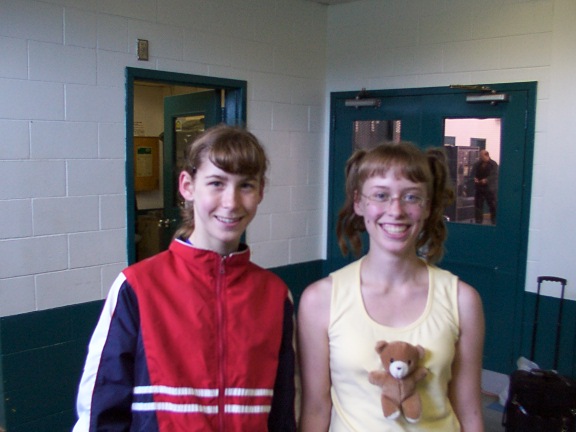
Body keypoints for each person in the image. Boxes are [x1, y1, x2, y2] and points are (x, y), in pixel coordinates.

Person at [74, 124, 297, 431]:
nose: (231, 202)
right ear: (187, 186)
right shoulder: (138, 286)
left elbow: (282, 411)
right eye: (216, 183)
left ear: (260, 192)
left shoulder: (275, 295)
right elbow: (101, 407)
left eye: (245, 185)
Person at [297, 142, 485, 431]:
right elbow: (316, 409)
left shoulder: (462, 300)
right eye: (381, 195)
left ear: (428, 206)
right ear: (359, 202)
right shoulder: (320, 300)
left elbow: (469, 411)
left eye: (411, 197)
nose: (396, 210)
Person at [471, 149, 498, 224]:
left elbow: (495, 175)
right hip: (479, 188)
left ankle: (494, 221)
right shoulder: (477, 164)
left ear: (487, 155)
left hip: (490, 189)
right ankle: (478, 222)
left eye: (482, 156)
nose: (480, 158)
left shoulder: (493, 164)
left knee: (492, 206)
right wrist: (474, 178)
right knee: (478, 206)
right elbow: (472, 173)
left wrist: (486, 180)